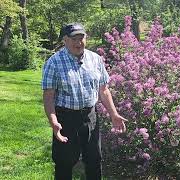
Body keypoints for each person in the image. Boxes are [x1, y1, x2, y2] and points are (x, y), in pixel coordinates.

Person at [41, 22, 127, 180]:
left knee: (94, 160)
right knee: (64, 162)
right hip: (65, 119)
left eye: (81, 38)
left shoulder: (95, 59)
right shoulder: (53, 63)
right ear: (64, 40)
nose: (78, 42)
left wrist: (114, 114)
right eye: (74, 39)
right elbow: (48, 96)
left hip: (90, 117)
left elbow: (103, 90)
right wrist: (53, 121)